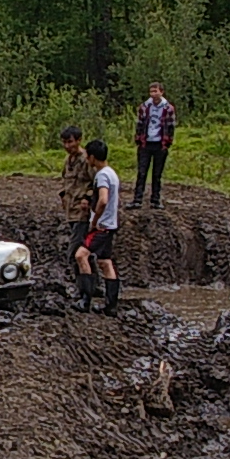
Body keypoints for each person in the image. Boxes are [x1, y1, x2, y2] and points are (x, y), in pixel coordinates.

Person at [56, 125, 98, 299]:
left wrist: (87, 198)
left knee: (76, 252)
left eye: (70, 142)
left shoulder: (85, 160)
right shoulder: (68, 161)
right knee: (84, 252)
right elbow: (65, 182)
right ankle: (94, 286)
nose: (67, 146)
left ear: (79, 140)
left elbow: (95, 184)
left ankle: (84, 289)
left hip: (82, 213)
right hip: (70, 211)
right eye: (65, 142)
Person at [82, 138, 123, 314]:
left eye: (87, 156)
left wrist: (94, 221)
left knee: (80, 256)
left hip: (102, 226)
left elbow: (103, 199)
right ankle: (111, 305)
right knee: (105, 262)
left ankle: (85, 301)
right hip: (111, 225)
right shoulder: (112, 173)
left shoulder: (102, 175)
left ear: (92, 157)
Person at [133, 82, 177, 208]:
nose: (153, 94)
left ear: (161, 92)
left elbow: (171, 126)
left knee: (157, 174)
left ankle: (155, 200)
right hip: (146, 143)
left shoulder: (168, 108)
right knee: (142, 172)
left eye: (155, 91)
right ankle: (137, 199)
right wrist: (139, 139)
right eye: (151, 91)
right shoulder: (144, 107)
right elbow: (139, 124)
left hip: (160, 143)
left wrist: (167, 142)